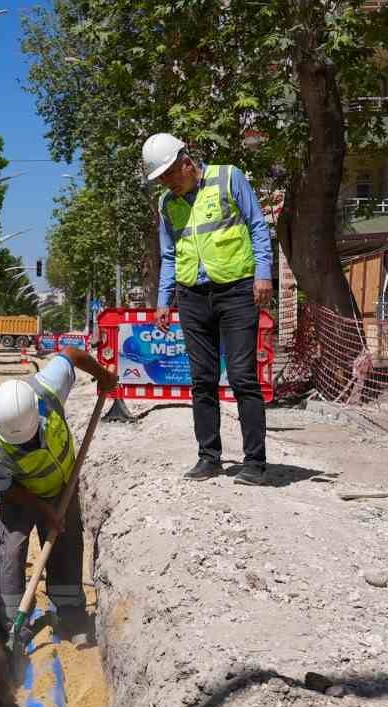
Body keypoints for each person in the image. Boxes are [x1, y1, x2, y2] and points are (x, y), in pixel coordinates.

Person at [142, 132, 273, 485]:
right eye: (161, 178)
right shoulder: (167, 204)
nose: (167, 182)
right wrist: (163, 301)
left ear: (187, 162)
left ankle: (255, 463)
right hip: (192, 297)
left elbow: (257, 226)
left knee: (244, 377)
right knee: (202, 380)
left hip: (236, 291)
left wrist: (263, 274)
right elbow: (169, 255)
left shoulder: (229, 177)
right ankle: (209, 457)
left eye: (170, 174)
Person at [0, 347, 117, 629]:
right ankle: (13, 622)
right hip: (17, 494)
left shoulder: (46, 389)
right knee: (13, 549)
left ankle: (69, 612)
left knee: (66, 541)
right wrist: (43, 511)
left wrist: (103, 376)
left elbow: (71, 354)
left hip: (61, 486)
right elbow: (4, 486)